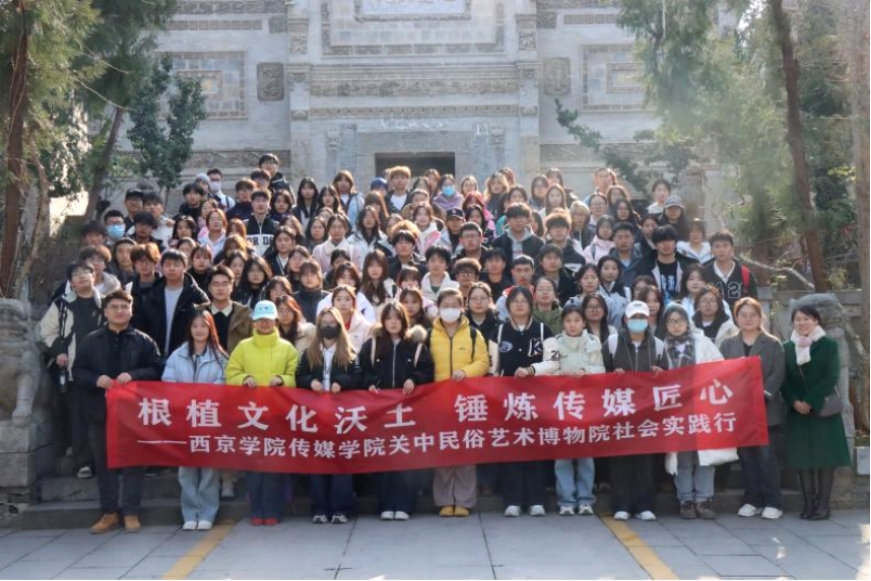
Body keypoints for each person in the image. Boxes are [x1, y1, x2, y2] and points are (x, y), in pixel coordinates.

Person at [72, 289, 163, 534]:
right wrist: (95, 379)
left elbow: (157, 369)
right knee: (104, 463)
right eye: (114, 307)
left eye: (124, 307)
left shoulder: (143, 341)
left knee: (134, 461)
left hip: (134, 413)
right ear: (105, 311)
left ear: (131, 311)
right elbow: (77, 371)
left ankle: (131, 511)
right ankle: (109, 512)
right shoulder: (91, 341)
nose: (120, 311)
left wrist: (134, 375)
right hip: (100, 412)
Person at [359, 301, 435, 521]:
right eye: (389, 318)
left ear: (404, 321)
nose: (393, 322)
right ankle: (385, 504)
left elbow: (428, 371)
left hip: (408, 412)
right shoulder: (372, 345)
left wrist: (415, 378)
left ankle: (404, 504)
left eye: (397, 318)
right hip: (381, 412)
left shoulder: (416, 346)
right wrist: (370, 383)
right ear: (383, 321)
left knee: (406, 459)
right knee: (384, 459)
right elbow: (361, 370)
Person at [226, 300, 299, 525]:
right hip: (251, 417)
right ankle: (257, 511)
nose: (264, 324)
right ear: (254, 322)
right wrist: (243, 378)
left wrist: (283, 380)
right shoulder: (243, 347)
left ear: (276, 321)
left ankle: (273, 510)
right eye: (260, 320)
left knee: (274, 466)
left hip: (278, 416)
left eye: (268, 320)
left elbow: (295, 376)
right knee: (254, 467)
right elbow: (231, 374)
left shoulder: (287, 348)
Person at [490, 286, 559, 517]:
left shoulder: (543, 330)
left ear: (531, 305)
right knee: (511, 448)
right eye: (515, 301)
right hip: (507, 400)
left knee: (535, 446)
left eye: (524, 301)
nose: (519, 305)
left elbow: (553, 362)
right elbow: (492, 367)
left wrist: (531, 370)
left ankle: (537, 499)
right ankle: (513, 500)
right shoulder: (499, 332)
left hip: (537, 399)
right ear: (508, 305)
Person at [660, 304, 731, 520]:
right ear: (665, 324)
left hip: (703, 406)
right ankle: (685, 500)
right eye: (671, 321)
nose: (676, 325)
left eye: (680, 320)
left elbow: (720, 366)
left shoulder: (702, 342)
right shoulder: (661, 345)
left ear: (687, 322)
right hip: (676, 408)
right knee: (682, 456)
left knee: (705, 456)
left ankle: (703, 499)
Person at [781, 305, 851, 520]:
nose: (802, 323)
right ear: (792, 322)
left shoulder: (828, 345)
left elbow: (831, 376)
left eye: (807, 319)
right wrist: (794, 401)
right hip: (798, 412)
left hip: (823, 409)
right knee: (803, 459)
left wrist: (809, 401)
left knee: (825, 459)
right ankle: (808, 503)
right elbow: (784, 379)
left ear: (816, 321)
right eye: (798, 319)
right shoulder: (787, 347)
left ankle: (823, 505)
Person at [162, 311, 228, 531]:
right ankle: (190, 513)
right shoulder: (177, 355)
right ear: (189, 329)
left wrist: (203, 395)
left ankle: (208, 513)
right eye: (195, 326)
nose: (199, 330)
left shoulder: (220, 356)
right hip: (185, 418)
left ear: (210, 329)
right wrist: (185, 397)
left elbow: (225, 383)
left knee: (210, 468)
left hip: (210, 418)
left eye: (203, 326)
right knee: (186, 468)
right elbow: (168, 383)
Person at [720, 298, 786, 520]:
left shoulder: (773, 344)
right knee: (746, 459)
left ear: (760, 317)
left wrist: (763, 394)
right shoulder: (728, 344)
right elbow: (721, 373)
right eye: (743, 315)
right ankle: (752, 499)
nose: (748, 319)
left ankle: (773, 501)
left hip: (765, 410)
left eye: (752, 315)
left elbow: (778, 373)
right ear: (736, 317)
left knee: (767, 458)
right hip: (739, 411)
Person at [39, 261, 105, 480]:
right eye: (76, 274)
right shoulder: (61, 304)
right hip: (74, 371)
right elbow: (45, 330)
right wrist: (58, 351)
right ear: (71, 282)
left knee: (105, 417)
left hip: (104, 371)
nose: (82, 276)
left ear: (94, 276)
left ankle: (105, 462)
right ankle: (83, 463)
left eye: (86, 272)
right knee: (78, 419)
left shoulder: (107, 303)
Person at [602, 300, 667, 521]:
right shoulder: (612, 342)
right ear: (625, 319)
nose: (637, 321)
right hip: (619, 409)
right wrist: (612, 375)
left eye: (641, 317)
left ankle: (644, 505)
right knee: (620, 459)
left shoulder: (658, 345)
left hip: (647, 413)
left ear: (648, 319)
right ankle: (621, 505)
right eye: (633, 318)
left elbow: (668, 376)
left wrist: (660, 371)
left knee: (645, 460)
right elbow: (600, 371)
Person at [296, 307, 363, 524]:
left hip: (341, 417)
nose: (328, 326)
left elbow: (358, 378)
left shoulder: (349, 353)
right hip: (316, 417)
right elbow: (299, 377)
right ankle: (319, 508)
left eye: (332, 323)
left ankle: (341, 509)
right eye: (324, 322)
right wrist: (310, 382)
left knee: (341, 464)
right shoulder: (309, 353)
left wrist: (341, 382)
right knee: (317, 464)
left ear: (339, 325)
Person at [429, 288, 490, 517]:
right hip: (438, 402)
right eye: (445, 305)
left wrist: (466, 372)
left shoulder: (473, 334)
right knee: (443, 450)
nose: (449, 310)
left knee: (465, 452)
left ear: (462, 308)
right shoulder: (429, 335)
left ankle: (464, 501)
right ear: (438, 308)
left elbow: (483, 362)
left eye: (454, 305)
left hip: (466, 401)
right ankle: (445, 501)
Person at [554, 303, 605, 516]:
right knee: (563, 457)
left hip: (586, 406)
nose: (572, 325)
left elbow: (601, 370)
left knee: (586, 456)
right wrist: (559, 375)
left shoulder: (593, 342)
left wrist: (586, 371)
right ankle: (566, 500)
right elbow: (548, 369)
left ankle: (585, 499)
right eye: (568, 321)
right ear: (563, 323)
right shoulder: (555, 343)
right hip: (562, 406)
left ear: (584, 322)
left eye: (576, 320)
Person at [136, 249, 210, 357]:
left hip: (186, 355)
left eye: (176, 265)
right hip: (155, 354)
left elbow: (206, 324)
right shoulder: (153, 294)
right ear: (162, 268)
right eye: (167, 265)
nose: (171, 268)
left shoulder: (197, 295)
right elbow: (143, 325)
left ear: (185, 267)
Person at [628, 225, 697, 304]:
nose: (666, 244)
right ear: (655, 244)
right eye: (661, 241)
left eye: (669, 240)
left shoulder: (688, 266)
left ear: (675, 243)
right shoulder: (643, 267)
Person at [704, 230, 759, 308]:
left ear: (732, 248)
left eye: (725, 245)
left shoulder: (745, 274)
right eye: (717, 246)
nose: (721, 250)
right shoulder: (704, 273)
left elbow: (754, 304)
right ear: (711, 250)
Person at [246, 190, 278, 256]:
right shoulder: (244, 225)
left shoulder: (277, 226)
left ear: (269, 204)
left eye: (264, 200)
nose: (260, 204)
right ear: (251, 203)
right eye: (257, 200)